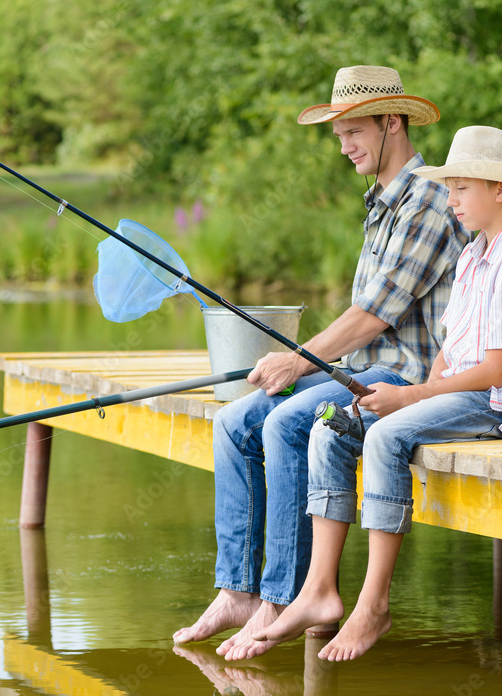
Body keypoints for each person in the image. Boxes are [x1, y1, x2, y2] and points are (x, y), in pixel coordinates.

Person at [173, 65, 470, 660]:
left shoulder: (430, 202)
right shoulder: (383, 201)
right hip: (363, 368)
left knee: (286, 422)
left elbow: (375, 315)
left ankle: (284, 596)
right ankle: (237, 589)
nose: (344, 145)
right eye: (337, 135)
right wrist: (302, 364)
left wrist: (299, 360)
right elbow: (364, 319)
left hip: (406, 377)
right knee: (234, 423)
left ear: (393, 123)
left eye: (353, 131)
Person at [253, 125, 502, 662]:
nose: (451, 200)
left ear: (501, 190)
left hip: (501, 402)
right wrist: (421, 389)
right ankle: (319, 590)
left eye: (462, 188)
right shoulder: (474, 256)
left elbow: (494, 370)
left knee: (386, 437)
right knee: (334, 427)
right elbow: (451, 347)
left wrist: (410, 399)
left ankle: (373, 605)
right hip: (456, 388)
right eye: (449, 189)